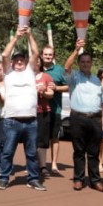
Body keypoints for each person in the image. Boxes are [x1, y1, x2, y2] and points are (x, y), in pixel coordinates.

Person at [0, 27, 46, 191]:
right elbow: (5, 55)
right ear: (12, 62)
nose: (19, 62)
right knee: (8, 152)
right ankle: (3, 178)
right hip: (12, 120)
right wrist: (16, 37)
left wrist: (30, 34)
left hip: (31, 121)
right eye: (16, 59)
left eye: (21, 59)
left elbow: (36, 53)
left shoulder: (30, 72)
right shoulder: (8, 73)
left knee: (31, 153)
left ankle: (33, 179)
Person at [63, 39, 103, 192]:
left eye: (88, 62)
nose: (85, 64)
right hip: (78, 118)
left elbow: (102, 103)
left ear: (91, 63)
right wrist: (76, 50)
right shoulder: (74, 77)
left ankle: (95, 181)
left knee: (94, 152)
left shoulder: (97, 81)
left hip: (95, 119)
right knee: (79, 151)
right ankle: (78, 179)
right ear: (79, 63)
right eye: (82, 62)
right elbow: (67, 67)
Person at [40, 45, 68, 176]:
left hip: (55, 109)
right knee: (40, 137)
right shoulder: (36, 68)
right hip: (39, 109)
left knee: (54, 137)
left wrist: (56, 88)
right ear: (42, 55)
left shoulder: (59, 70)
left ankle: (54, 164)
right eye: (45, 54)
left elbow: (68, 86)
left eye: (50, 54)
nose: (47, 57)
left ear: (53, 56)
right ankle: (40, 164)